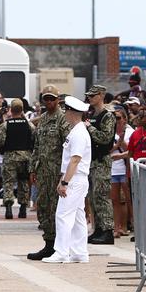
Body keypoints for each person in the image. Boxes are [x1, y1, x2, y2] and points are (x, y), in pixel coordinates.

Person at [44, 96, 92, 264]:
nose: (64, 114)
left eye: (66, 111)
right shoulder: (77, 131)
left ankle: (61, 252)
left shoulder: (78, 133)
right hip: (76, 178)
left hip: (75, 179)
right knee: (78, 215)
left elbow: (75, 160)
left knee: (63, 214)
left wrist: (65, 182)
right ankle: (79, 252)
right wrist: (63, 179)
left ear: (72, 113)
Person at [27, 86, 70, 260]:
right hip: (43, 171)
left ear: (58, 99)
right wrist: (32, 168)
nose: (49, 102)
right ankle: (49, 243)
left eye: (52, 98)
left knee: (57, 209)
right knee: (43, 207)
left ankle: (59, 245)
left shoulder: (63, 119)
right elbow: (36, 146)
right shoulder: (43, 119)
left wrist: (65, 174)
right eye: (46, 98)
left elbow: (68, 148)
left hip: (58, 172)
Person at [84, 85, 115, 245]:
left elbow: (105, 138)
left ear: (101, 95)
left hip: (102, 161)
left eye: (93, 95)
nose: (90, 98)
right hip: (92, 161)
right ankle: (98, 229)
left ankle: (107, 230)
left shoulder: (107, 116)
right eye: (89, 96)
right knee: (93, 197)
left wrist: (89, 128)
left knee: (102, 196)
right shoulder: (91, 114)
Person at [0, 99, 35, 219]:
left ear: (11, 110)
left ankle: (8, 209)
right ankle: (23, 209)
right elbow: (34, 138)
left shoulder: (6, 125)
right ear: (22, 110)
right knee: (23, 182)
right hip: (25, 157)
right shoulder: (29, 124)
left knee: (8, 183)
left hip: (10, 157)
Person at [109, 106, 134, 238]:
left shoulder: (130, 132)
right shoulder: (110, 131)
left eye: (119, 117)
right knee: (115, 200)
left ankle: (127, 226)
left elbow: (131, 151)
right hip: (114, 169)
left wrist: (121, 140)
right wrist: (117, 145)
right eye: (114, 118)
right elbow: (106, 151)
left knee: (128, 199)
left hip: (125, 169)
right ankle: (117, 228)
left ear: (125, 119)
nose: (116, 120)